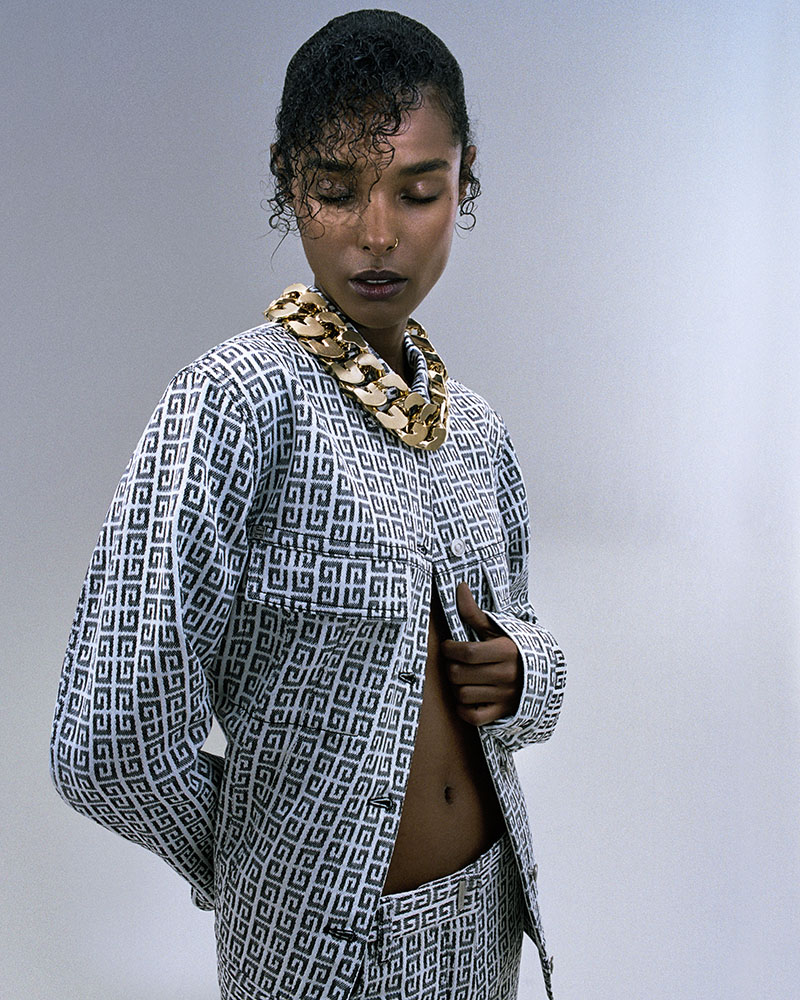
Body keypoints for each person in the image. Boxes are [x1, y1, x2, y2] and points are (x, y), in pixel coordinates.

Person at [50, 10, 566, 1000]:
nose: (377, 233)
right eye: (335, 190)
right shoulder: (235, 405)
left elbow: (519, 665)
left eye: (417, 190)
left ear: (464, 182)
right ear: (288, 182)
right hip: (320, 954)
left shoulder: (477, 433)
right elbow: (106, 738)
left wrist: (526, 673)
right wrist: (265, 866)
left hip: (486, 925)